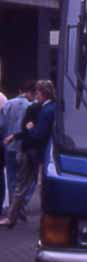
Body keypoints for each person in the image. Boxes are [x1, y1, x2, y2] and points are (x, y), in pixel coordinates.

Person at [0, 80, 56, 228]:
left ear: (43, 93)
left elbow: (37, 133)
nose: (36, 95)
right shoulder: (47, 108)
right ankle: (18, 212)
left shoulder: (42, 109)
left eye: (38, 92)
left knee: (18, 182)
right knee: (31, 184)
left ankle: (12, 215)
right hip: (38, 151)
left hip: (27, 150)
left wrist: (24, 131)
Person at [0, 80, 36, 208]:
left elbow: (1, 125)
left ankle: (12, 206)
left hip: (9, 146)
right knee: (29, 179)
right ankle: (22, 203)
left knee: (11, 178)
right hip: (25, 148)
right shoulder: (33, 107)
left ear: (20, 91)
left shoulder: (8, 104)